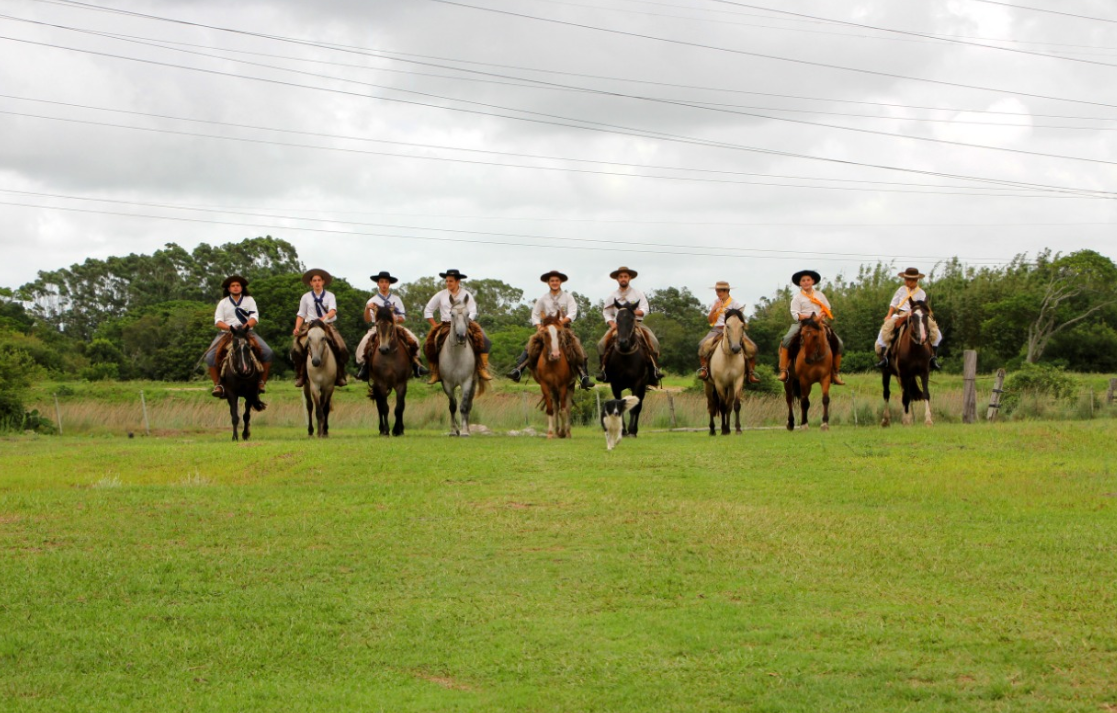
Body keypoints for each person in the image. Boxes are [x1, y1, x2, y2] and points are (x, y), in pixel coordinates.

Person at [507, 270, 594, 389]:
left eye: (557, 280)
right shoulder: (543, 298)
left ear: (561, 282)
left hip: (563, 328)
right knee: (530, 344)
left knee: (577, 346)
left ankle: (584, 377)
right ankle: (518, 370)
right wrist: (539, 326)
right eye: (552, 281)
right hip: (546, 329)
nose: (554, 282)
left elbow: (573, 312)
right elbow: (535, 314)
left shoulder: (568, 297)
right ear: (548, 283)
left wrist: (561, 322)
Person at [205, 275, 273, 397]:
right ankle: (218, 385)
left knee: (268, 352)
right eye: (233, 286)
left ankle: (261, 382)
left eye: (238, 285)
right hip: (226, 333)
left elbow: (254, 318)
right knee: (210, 356)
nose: (236, 288)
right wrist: (229, 328)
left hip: (247, 332)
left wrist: (245, 327)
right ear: (229, 289)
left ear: (242, 288)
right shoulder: (223, 303)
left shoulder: (249, 300)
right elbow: (218, 321)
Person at [422, 269, 492, 384]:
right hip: (446, 324)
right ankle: (435, 372)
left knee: (485, 340)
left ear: (458, 281)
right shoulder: (440, 295)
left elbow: (473, 311)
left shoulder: (467, 295)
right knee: (427, 345)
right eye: (447, 281)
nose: (448, 283)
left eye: (451, 281)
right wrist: (435, 326)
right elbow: (428, 311)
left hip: (465, 322)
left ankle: (481, 368)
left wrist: (466, 321)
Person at [355, 271, 428, 381]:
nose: (384, 284)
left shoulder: (396, 299)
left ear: (389, 284)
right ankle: (364, 366)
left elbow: (403, 318)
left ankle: (416, 365)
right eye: (381, 282)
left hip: (394, 327)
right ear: (378, 284)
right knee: (364, 342)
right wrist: (367, 309)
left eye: (386, 282)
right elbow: (368, 319)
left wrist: (395, 318)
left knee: (414, 340)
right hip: (378, 328)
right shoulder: (372, 301)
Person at [776, 270, 845, 386]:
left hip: (819, 323)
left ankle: (835, 373)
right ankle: (784, 371)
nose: (806, 282)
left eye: (808, 280)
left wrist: (820, 316)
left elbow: (827, 308)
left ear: (812, 281)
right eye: (803, 280)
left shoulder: (820, 295)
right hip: (803, 323)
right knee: (786, 340)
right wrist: (807, 317)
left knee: (839, 343)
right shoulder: (797, 298)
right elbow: (795, 314)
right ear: (800, 284)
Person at [596, 266, 664, 382]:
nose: (623, 279)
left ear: (629, 278)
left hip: (636, 324)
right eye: (621, 277)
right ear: (617, 279)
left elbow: (645, 309)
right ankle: (603, 371)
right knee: (601, 344)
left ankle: (654, 370)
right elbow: (607, 313)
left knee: (654, 342)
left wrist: (631, 311)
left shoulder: (638, 294)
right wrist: (612, 324)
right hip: (618, 325)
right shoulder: (612, 296)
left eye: (625, 276)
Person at [874, 267, 943, 370]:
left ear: (915, 280)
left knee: (937, 333)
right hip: (901, 314)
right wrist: (889, 315)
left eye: (910, 279)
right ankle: (884, 357)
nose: (907, 281)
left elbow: (923, 307)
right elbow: (893, 303)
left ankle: (933, 358)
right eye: (906, 279)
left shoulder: (921, 293)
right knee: (884, 331)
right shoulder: (901, 290)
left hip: (917, 315)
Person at [291, 268, 349, 387]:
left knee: (342, 347)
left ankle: (340, 374)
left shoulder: (330, 296)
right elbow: (301, 314)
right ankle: (301, 374)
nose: (317, 283)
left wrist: (322, 320)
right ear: (311, 283)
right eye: (314, 280)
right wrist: (297, 328)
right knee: (296, 349)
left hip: (327, 325)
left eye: (319, 280)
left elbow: (333, 311)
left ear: (323, 282)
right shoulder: (305, 297)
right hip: (309, 326)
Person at [696, 281, 761, 383]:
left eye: (720, 291)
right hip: (717, 329)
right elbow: (710, 320)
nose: (718, 293)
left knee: (752, 347)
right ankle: (705, 370)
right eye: (717, 291)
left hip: (734, 330)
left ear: (726, 291)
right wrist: (714, 309)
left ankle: (751, 373)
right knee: (702, 345)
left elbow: (741, 320)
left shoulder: (735, 304)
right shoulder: (715, 302)